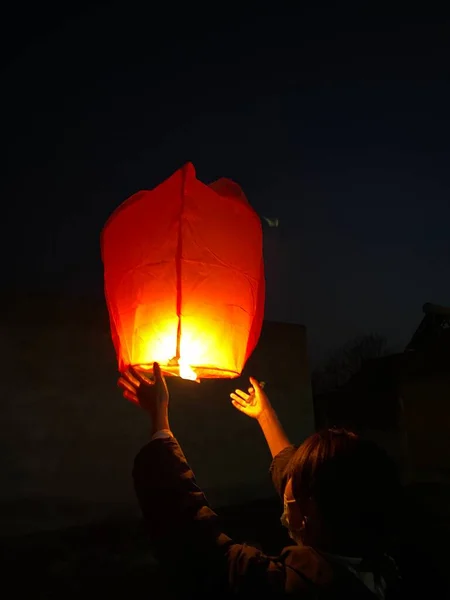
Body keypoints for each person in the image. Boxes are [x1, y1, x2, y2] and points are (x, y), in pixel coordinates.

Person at [118, 362, 404, 598]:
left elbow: (195, 543)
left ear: (310, 512)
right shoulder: (380, 566)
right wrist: (265, 415)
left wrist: (160, 420)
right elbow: (297, 474)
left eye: (295, 482)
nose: (287, 478)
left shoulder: (282, 586)